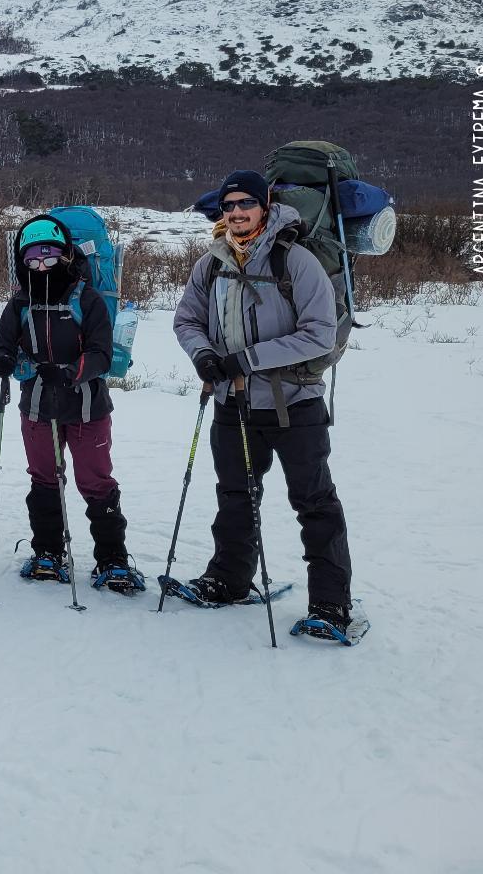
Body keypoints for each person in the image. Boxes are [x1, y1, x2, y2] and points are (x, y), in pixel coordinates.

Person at [172, 169, 353, 631]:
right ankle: (229, 580)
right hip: (232, 403)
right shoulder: (210, 263)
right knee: (235, 496)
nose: (235, 213)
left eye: (244, 204)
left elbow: (320, 334)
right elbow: (187, 320)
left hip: (296, 402)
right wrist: (206, 356)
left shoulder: (294, 261)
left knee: (313, 501)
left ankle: (330, 604)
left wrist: (246, 359)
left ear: (264, 206)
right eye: (228, 206)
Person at [0, 215, 139, 589]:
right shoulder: (19, 303)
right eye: (32, 258)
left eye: (49, 255)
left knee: (96, 481)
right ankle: (48, 552)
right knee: (44, 480)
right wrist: (2, 360)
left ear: (65, 256)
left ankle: (112, 558)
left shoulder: (86, 298)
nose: (41, 264)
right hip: (38, 405)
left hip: (87, 406)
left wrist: (72, 372)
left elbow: (102, 353)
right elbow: (2, 344)